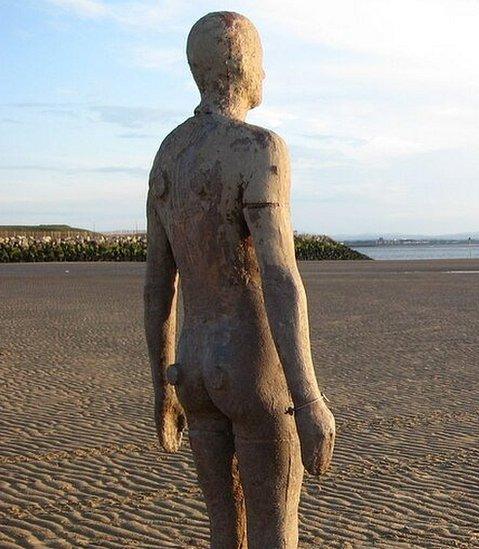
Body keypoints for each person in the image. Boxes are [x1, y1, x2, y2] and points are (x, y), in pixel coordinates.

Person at [144, 12, 335, 548]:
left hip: (195, 368)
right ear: (242, 64)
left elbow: (159, 287)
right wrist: (310, 398)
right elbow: (279, 276)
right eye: (261, 61)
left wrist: (163, 388)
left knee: (224, 532)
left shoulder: (169, 154)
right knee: (276, 530)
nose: (266, 75)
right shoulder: (259, 148)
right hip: (251, 367)